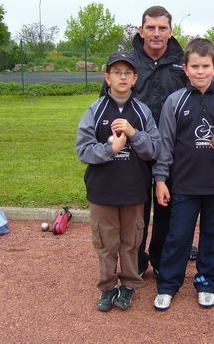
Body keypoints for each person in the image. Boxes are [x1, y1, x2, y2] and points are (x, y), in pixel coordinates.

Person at [100, 6, 197, 277]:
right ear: (140, 31)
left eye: (162, 28)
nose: (156, 33)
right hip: (134, 149)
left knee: (169, 208)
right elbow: (105, 103)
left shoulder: (183, 63)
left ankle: (163, 259)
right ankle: (137, 262)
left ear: (170, 31)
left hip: (173, 150)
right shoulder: (128, 63)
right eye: (150, 28)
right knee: (137, 209)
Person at [152, 38, 214, 311]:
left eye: (206, 66)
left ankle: (205, 282)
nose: (200, 72)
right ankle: (168, 285)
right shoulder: (175, 101)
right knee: (178, 236)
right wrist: (160, 180)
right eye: (195, 66)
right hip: (184, 184)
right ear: (185, 68)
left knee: (213, 236)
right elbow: (165, 144)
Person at [76, 52, 160, 312]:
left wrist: (134, 134)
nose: (122, 77)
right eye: (116, 72)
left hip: (134, 191)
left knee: (131, 242)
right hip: (103, 192)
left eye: (127, 73)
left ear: (135, 79)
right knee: (106, 242)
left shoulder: (141, 111)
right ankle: (108, 286)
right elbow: (83, 150)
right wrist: (111, 150)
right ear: (107, 77)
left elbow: (154, 150)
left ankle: (129, 285)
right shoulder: (96, 109)